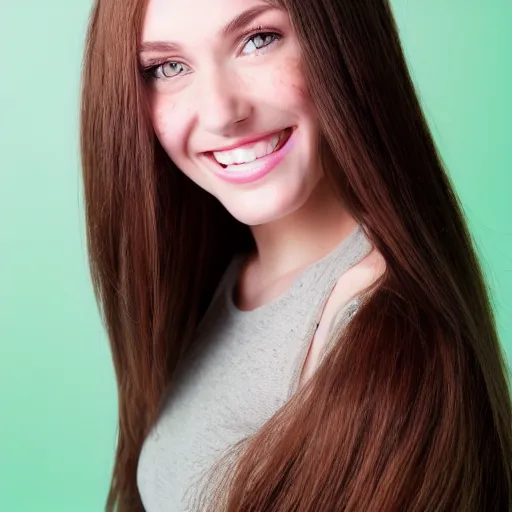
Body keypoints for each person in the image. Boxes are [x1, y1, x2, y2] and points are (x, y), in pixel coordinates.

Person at [80, 0, 512, 510]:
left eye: (258, 39)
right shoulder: (220, 278)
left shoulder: (394, 343)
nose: (222, 112)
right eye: (168, 68)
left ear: (339, 40)